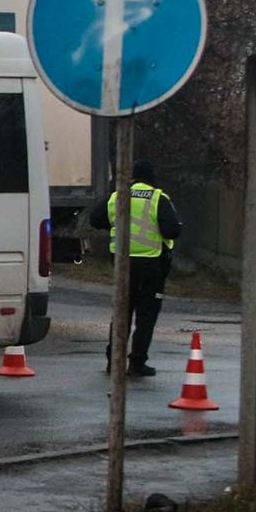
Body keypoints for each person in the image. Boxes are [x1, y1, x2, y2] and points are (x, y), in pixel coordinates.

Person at [90, 158, 183, 376]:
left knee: (121, 312)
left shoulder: (117, 196)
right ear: (151, 179)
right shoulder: (158, 198)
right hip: (151, 265)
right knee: (146, 315)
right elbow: (171, 231)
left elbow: (95, 220)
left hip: (122, 265)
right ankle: (137, 362)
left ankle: (114, 361)